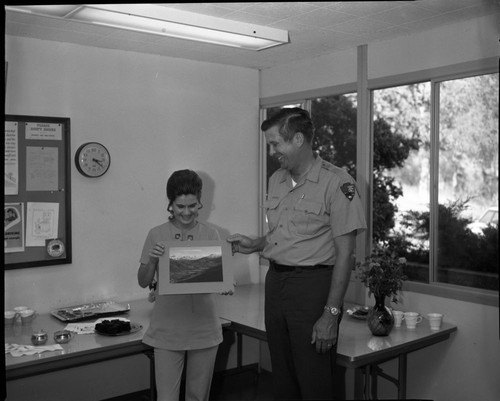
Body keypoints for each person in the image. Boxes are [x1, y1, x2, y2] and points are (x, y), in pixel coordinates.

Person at [228, 107, 367, 400]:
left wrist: (330, 314)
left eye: (276, 143)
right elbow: (286, 235)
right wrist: (257, 244)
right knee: (283, 376)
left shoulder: (338, 183)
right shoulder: (277, 179)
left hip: (313, 289)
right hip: (276, 284)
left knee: (314, 379)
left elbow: (346, 255)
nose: (272, 151)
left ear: (299, 140)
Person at [138, 169, 224, 401]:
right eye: (180, 207)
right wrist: (154, 259)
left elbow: (217, 280)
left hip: (204, 327)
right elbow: (143, 281)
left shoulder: (211, 234)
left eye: (192, 206)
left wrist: (225, 282)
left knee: (198, 396)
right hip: (168, 328)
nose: (186, 213)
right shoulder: (156, 234)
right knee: (167, 398)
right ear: (170, 205)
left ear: (200, 203)